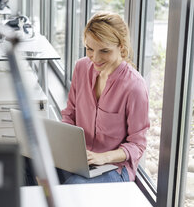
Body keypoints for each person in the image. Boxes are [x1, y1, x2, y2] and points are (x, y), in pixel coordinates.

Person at [25, 12, 150, 185]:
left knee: (74, 187)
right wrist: (62, 145)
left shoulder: (135, 86)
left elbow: (137, 144)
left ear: (121, 47)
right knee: (23, 161)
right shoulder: (82, 67)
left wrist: (102, 157)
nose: (95, 58)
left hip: (113, 167)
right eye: (90, 49)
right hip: (78, 159)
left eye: (104, 51)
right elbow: (70, 113)